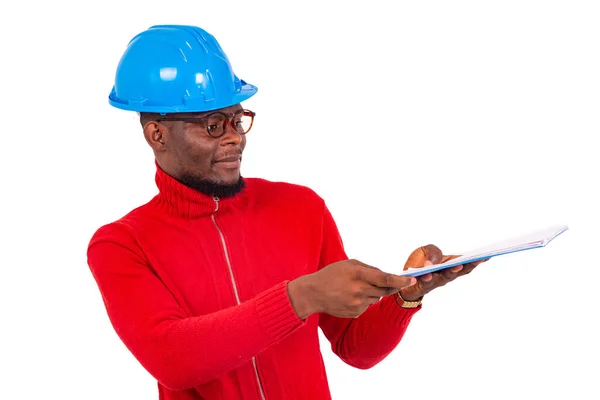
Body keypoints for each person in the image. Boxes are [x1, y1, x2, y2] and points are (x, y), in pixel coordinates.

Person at [87, 24, 485, 400]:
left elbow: (355, 348)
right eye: (212, 125)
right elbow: (174, 359)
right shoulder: (121, 245)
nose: (234, 139)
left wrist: (407, 296)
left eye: (237, 119)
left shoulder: (301, 208)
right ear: (156, 134)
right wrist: (300, 297)